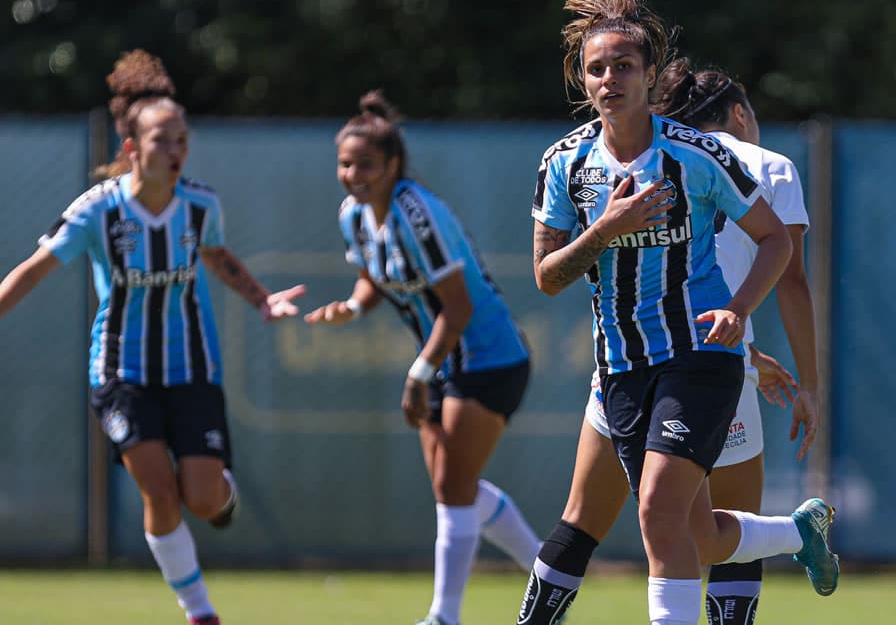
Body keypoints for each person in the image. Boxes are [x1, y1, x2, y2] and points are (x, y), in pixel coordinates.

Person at [523, 0, 838, 625]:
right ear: (582, 79)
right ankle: (797, 533)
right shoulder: (565, 163)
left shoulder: (698, 155)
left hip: (700, 359)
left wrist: (739, 308)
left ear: (647, 73)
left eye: (624, 65)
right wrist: (604, 229)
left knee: (657, 513)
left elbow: (778, 242)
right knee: (694, 532)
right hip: (622, 370)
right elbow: (548, 277)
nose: (610, 78)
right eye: (597, 67)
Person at [0, 50, 306, 625]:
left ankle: (223, 493)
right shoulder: (97, 212)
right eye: (163, 140)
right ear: (131, 149)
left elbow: (216, 256)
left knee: (204, 499)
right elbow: (32, 271)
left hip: (192, 370)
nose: (176, 150)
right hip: (121, 374)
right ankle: (200, 613)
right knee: (159, 493)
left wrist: (262, 298)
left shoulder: (200, 205)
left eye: (182, 139)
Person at [304, 91, 540, 625]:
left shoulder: (418, 213)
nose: (353, 174)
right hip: (441, 362)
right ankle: (549, 575)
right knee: (453, 486)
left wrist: (418, 373)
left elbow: (456, 309)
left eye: (366, 164)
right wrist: (351, 307)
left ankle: (443, 616)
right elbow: (372, 277)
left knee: (454, 487)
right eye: (345, 163)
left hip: (489, 356)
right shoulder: (354, 217)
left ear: (392, 166)